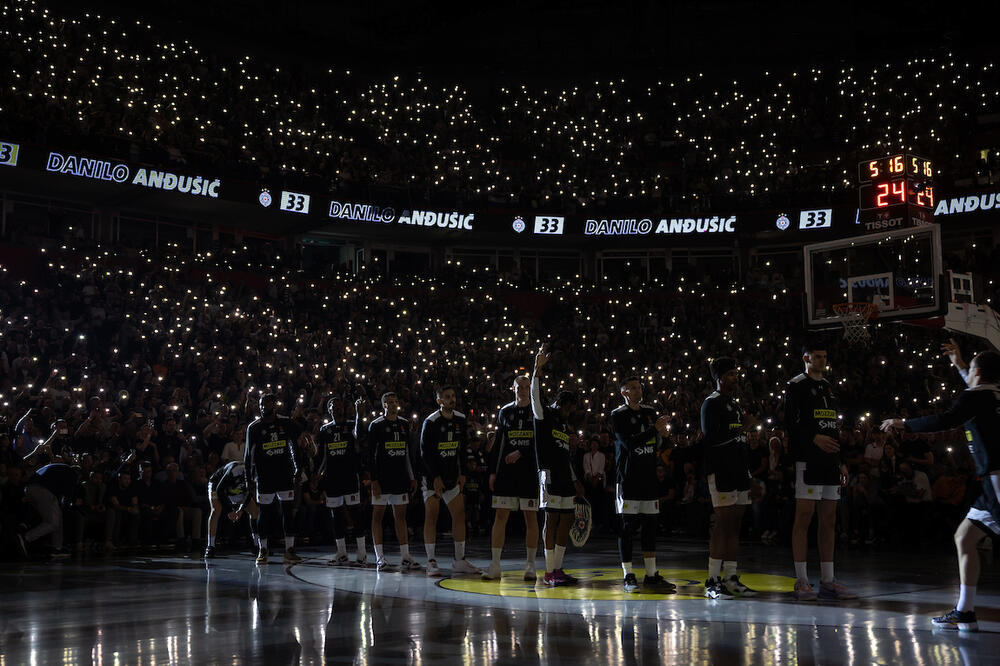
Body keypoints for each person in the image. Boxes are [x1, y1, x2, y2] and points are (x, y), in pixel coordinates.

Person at [881, 342, 1000, 632]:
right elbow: (975, 395)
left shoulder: (977, 397)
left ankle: (966, 611)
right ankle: (965, 611)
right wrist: (960, 364)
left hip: (998, 480)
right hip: (990, 483)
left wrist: (903, 423)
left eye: (970, 368)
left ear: (978, 372)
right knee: (965, 538)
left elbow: (945, 419)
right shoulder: (992, 395)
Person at [784, 343, 856, 601]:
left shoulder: (828, 386)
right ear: (806, 357)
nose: (823, 359)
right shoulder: (796, 385)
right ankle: (801, 580)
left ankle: (827, 580)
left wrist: (842, 461)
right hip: (807, 459)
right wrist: (814, 438)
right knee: (804, 516)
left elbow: (833, 428)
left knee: (829, 519)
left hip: (830, 461)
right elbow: (790, 423)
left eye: (825, 355)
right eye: (818, 355)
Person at [610, 376, 675, 593]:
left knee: (650, 527)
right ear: (624, 393)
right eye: (633, 388)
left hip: (648, 478)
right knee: (627, 528)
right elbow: (628, 443)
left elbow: (659, 441)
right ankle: (628, 575)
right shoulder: (617, 415)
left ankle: (651, 574)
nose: (639, 390)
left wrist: (664, 436)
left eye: (640, 387)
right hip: (628, 478)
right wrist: (654, 430)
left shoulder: (650, 412)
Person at [700, 358, 757, 599]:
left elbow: (738, 441)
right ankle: (712, 580)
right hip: (721, 469)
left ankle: (730, 577)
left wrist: (749, 472)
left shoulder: (733, 404)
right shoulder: (710, 403)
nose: (736, 377)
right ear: (720, 377)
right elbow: (711, 439)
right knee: (722, 524)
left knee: (735, 524)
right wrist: (743, 428)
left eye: (736, 373)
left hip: (739, 470)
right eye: (731, 374)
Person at [531, 345, 585, 586]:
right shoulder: (545, 416)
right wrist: (537, 369)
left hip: (564, 475)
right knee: (551, 520)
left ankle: (559, 568)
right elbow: (535, 396)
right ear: (562, 404)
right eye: (569, 408)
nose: (570, 413)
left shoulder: (564, 425)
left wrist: (574, 478)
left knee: (568, 518)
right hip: (549, 475)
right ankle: (549, 572)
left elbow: (564, 455)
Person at [483, 375, 540, 582]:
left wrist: (521, 453)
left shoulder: (537, 411)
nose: (523, 390)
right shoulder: (505, 411)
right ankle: (495, 564)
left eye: (527, 387)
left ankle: (531, 565)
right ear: (513, 389)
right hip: (506, 473)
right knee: (500, 517)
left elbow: (540, 444)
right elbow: (499, 444)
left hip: (529, 473)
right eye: (520, 387)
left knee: (530, 518)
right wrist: (492, 471)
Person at [420, 385, 482, 577]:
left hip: (452, 475)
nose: (452, 399)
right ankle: (431, 561)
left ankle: (459, 560)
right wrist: (435, 477)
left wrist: (462, 472)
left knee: (459, 515)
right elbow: (425, 454)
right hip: (432, 476)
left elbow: (462, 449)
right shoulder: (430, 422)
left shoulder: (461, 419)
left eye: (453, 395)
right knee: (432, 516)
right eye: (447, 396)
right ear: (439, 401)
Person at [245, 393, 313, 565]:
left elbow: (294, 446)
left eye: (267, 404)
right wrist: (248, 478)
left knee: (288, 512)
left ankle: (289, 550)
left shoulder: (285, 423)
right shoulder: (253, 427)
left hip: (284, 474)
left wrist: (298, 467)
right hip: (264, 476)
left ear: (274, 405)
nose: (263, 407)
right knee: (265, 514)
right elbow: (248, 455)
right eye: (261, 404)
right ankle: (263, 549)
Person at [368, 392, 421, 572]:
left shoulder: (404, 424)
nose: (393, 404)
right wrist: (374, 480)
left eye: (395, 401)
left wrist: (412, 476)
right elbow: (371, 456)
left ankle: (405, 556)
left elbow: (407, 453)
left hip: (400, 478)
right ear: (383, 405)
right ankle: (379, 558)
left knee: (401, 517)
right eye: (389, 402)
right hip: (382, 479)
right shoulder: (376, 426)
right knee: (378, 517)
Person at [318, 396, 367, 567]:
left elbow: (359, 434)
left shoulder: (351, 424)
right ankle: (342, 552)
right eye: (333, 405)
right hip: (332, 479)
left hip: (349, 476)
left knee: (355, 514)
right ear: (329, 410)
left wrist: (360, 414)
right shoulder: (324, 430)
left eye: (339, 405)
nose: (337, 408)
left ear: (344, 408)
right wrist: (318, 476)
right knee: (336, 516)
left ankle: (362, 553)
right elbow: (322, 457)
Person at [16, 457, 79, 559]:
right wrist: (67, 508)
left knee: (58, 516)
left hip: (29, 489)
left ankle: (57, 548)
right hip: (42, 490)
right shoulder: (72, 474)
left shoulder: (58, 469)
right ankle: (26, 537)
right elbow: (67, 496)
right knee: (53, 522)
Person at [204, 460, 258, 558]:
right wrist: (229, 511)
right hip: (218, 485)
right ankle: (210, 546)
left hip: (236, 487)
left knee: (254, 511)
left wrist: (241, 509)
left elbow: (249, 493)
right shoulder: (235, 471)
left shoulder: (256, 474)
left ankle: (256, 544)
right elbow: (220, 490)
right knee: (216, 510)